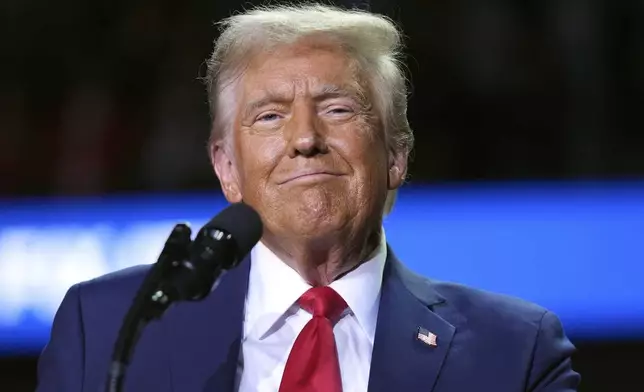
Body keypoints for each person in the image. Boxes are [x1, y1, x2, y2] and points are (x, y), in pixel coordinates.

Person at [36, 4, 580, 392]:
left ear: (396, 155)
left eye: (338, 108)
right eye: (270, 115)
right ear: (227, 168)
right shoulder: (109, 329)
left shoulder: (515, 353)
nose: (304, 139)